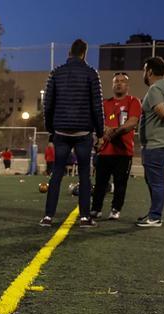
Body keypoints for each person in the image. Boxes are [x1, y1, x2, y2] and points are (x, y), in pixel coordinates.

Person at [40, 39, 104, 228]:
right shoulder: (91, 74)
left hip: (61, 131)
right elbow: (97, 107)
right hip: (83, 132)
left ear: (69, 52)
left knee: (57, 174)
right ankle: (85, 217)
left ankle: (48, 217)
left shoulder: (56, 73)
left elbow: (48, 105)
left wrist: (51, 129)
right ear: (84, 53)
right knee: (84, 175)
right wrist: (100, 133)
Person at [136, 56, 164, 229]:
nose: (143, 74)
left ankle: (155, 217)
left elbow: (161, 110)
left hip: (158, 143)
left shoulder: (155, 88)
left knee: (156, 181)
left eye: (144, 70)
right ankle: (153, 213)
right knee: (153, 179)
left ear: (149, 72)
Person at [91, 71, 142, 220]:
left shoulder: (133, 101)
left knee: (120, 184)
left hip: (124, 152)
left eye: (122, 81)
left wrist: (112, 132)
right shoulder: (104, 104)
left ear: (127, 85)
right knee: (100, 183)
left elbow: (132, 123)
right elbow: (98, 123)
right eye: (116, 81)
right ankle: (96, 209)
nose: (119, 83)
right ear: (112, 85)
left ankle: (115, 209)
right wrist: (104, 130)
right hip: (105, 151)